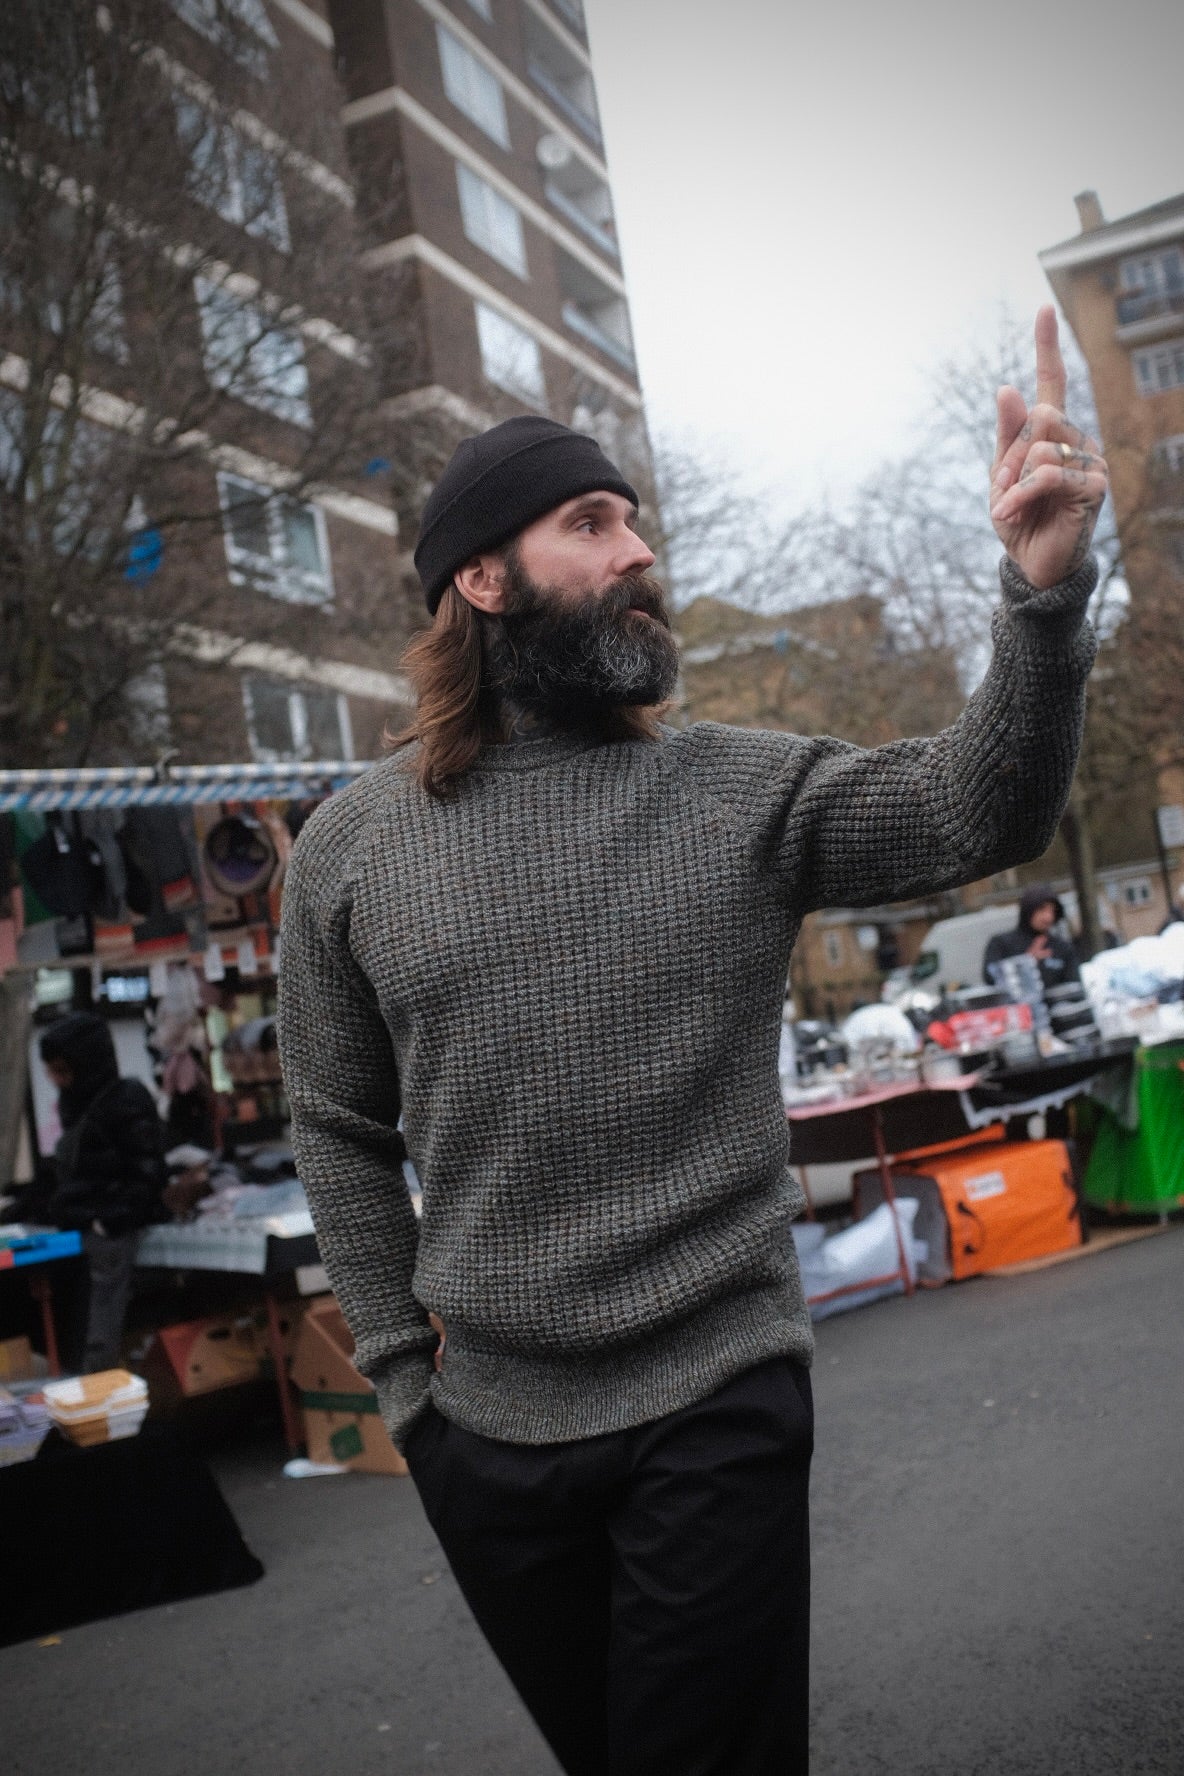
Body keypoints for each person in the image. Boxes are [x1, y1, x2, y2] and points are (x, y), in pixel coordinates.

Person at [277, 308, 1107, 1776]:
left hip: (715, 1396)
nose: (637, 551)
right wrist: (405, 1388)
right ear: (481, 578)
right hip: (489, 1435)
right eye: (590, 524)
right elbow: (337, 1126)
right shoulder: (349, 849)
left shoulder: (737, 792)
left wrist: (1038, 598)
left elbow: (978, 808)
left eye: (633, 520)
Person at [40, 1011, 167, 1373]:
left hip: (108, 1234)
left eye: (62, 1070)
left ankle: (99, 1392)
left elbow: (146, 1173)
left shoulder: (124, 1100)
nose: (56, 1080)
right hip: (89, 1230)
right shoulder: (78, 1102)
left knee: (99, 1326)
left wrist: (108, 1221)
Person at [982, 884, 1081, 991]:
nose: (1048, 917)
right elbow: (990, 977)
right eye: (1042, 909)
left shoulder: (1062, 947)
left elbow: (1074, 985)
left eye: (1052, 911)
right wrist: (1026, 962)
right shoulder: (1001, 943)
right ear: (1028, 910)